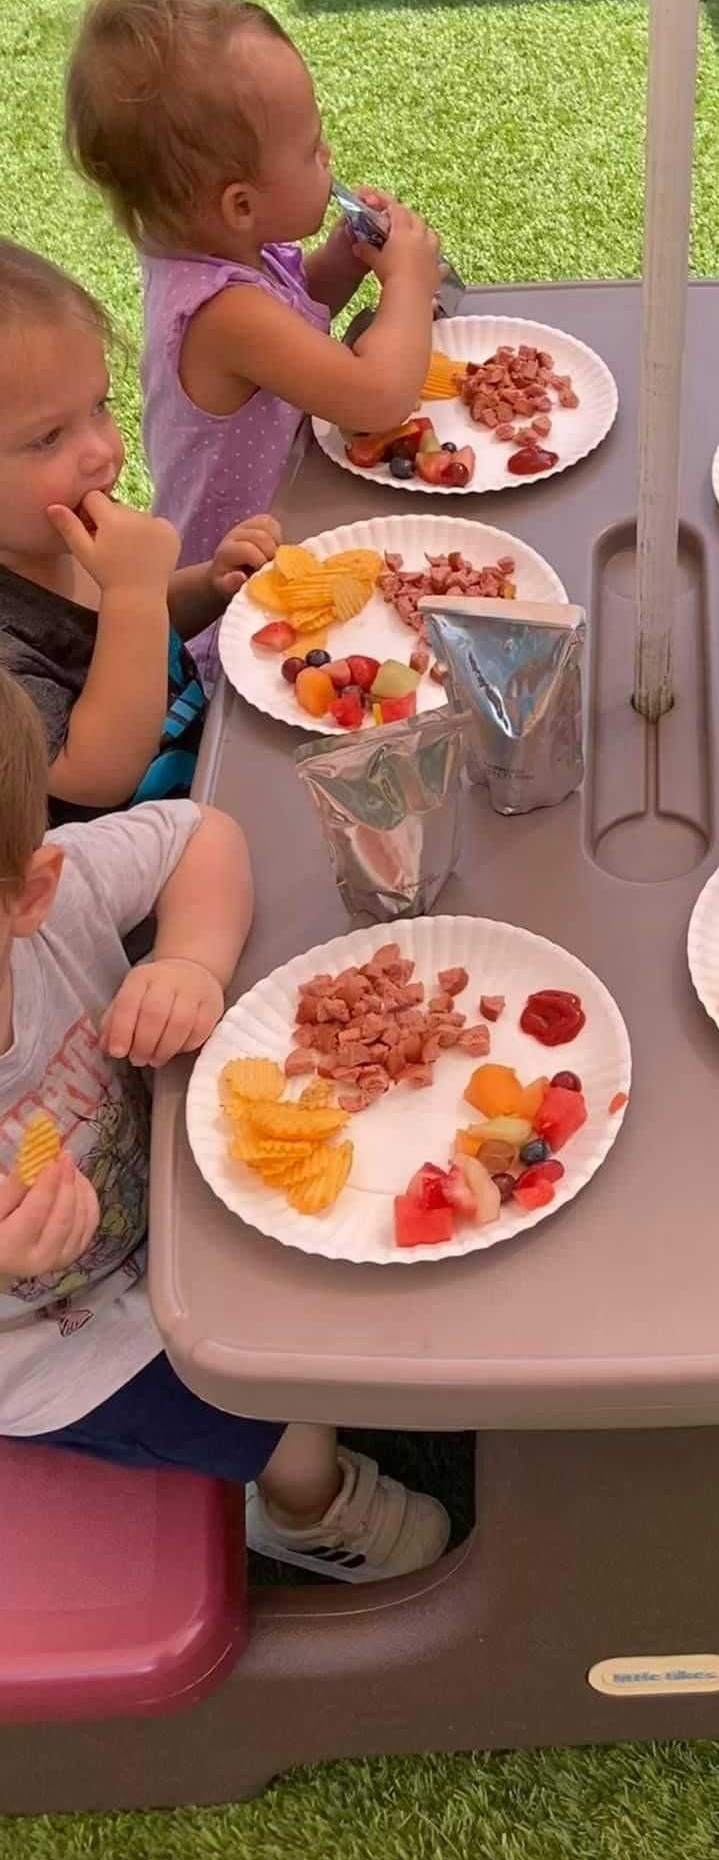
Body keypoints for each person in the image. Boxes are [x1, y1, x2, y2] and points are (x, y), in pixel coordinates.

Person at [0, 671, 449, 1578]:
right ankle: (302, 1509)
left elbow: (198, 835)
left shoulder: (63, 895)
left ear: (27, 894)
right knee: (274, 1402)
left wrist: (190, 962)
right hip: (60, 1339)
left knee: (337, 1282)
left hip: (176, 1184)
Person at [64, 0, 443, 567]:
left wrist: (343, 257)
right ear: (240, 205)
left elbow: (291, 314)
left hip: (297, 513)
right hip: (235, 587)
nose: (329, 157)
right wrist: (409, 286)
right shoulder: (224, 315)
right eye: (313, 149)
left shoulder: (221, 255)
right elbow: (377, 399)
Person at [0, 240, 277, 824]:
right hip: (142, 883)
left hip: (218, 778)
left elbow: (126, 636)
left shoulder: (53, 526)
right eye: (48, 437)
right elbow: (97, 777)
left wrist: (207, 584)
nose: (102, 451)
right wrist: (132, 591)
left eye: (99, 406)